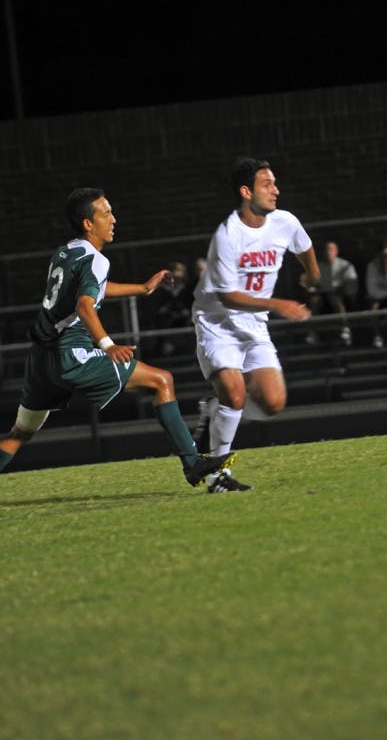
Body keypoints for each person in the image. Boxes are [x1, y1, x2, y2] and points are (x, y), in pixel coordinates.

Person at [0, 188, 232, 486]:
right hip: (71, 354)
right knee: (162, 381)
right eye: (105, 213)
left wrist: (143, 288)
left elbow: (91, 289)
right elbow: (85, 305)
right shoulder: (96, 260)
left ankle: (193, 464)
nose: (113, 219)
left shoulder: (64, 251)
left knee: (19, 434)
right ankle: (192, 464)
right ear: (88, 223)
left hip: (40, 359)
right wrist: (108, 345)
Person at [191, 156, 320, 494]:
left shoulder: (285, 222)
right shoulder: (228, 235)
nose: (276, 190)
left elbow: (304, 247)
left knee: (273, 403)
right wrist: (279, 304)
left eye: (275, 183)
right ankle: (219, 476)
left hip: (254, 323)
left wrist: (313, 275)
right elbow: (230, 297)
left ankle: (213, 409)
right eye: (268, 184)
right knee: (235, 393)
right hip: (217, 320)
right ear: (246, 192)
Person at [303, 239, 358, 345]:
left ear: (336, 251)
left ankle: (345, 328)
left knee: (335, 299)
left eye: (331, 249)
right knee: (314, 301)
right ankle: (312, 333)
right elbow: (310, 282)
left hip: (340, 296)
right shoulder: (317, 266)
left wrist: (340, 290)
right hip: (322, 296)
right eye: (326, 249)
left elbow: (351, 286)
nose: (328, 252)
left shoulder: (346, 265)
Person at [148, 259, 194, 357]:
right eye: (173, 270)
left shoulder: (188, 289)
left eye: (179, 271)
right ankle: (164, 350)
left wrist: (184, 311)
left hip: (185, 320)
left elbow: (190, 304)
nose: (176, 274)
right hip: (168, 321)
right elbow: (159, 308)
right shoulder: (163, 290)